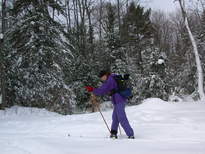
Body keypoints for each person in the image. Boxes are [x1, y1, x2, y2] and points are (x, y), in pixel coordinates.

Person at [85, 70, 134, 139]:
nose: (101, 79)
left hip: (119, 100)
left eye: (101, 77)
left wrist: (92, 89)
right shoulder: (112, 77)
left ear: (105, 75)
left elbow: (102, 90)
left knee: (121, 117)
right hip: (118, 100)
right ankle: (113, 133)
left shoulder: (110, 80)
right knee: (115, 117)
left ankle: (130, 134)